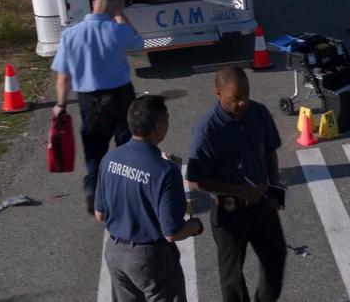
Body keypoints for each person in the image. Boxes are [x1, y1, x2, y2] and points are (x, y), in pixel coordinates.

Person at [186, 67, 286, 302]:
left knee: (275, 257)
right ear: (218, 93)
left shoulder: (258, 113)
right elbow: (195, 180)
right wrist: (240, 191)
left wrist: (274, 186)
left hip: (261, 204)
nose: (243, 102)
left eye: (246, 95)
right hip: (229, 212)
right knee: (231, 279)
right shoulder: (207, 131)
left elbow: (270, 150)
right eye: (235, 99)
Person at [94, 95, 204, 302]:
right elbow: (172, 233)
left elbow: (100, 214)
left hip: (116, 254)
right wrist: (195, 227)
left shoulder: (110, 159)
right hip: (150, 259)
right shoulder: (165, 171)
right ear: (158, 126)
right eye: (168, 120)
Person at [51, 0, 143, 215]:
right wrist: (123, 17)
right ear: (115, 8)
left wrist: (60, 105)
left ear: (94, 3)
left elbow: (63, 76)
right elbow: (139, 46)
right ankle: (126, 193)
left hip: (89, 100)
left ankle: (93, 190)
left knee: (94, 149)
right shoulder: (118, 31)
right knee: (126, 146)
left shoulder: (71, 35)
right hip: (121, 96)